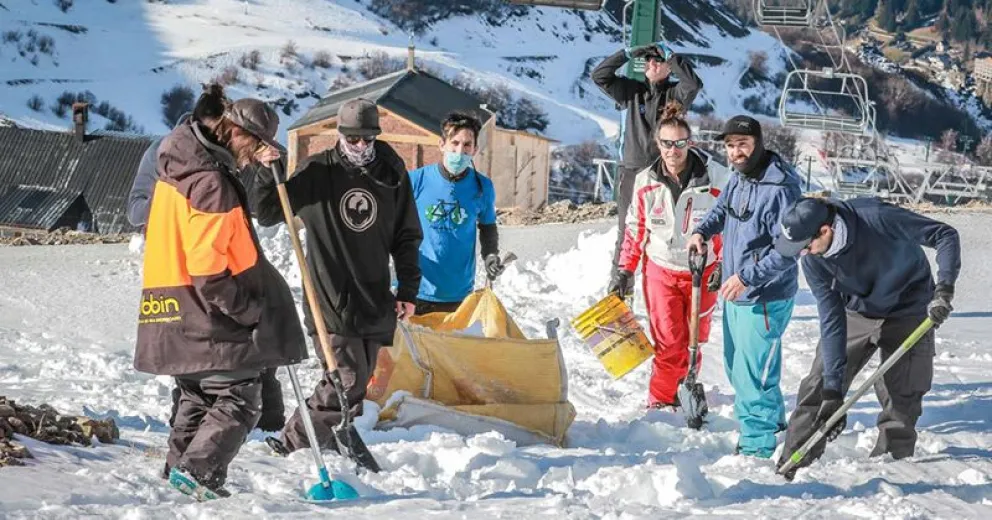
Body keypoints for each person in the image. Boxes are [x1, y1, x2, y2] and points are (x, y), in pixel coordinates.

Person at [133, 87, 307, 498]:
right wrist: (247, 310)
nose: (255, 153)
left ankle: (177, 472)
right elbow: (209, 270)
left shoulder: (178, 168)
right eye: (256, 144)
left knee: (196, 394)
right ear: (237, 133)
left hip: (171, 306)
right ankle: (199, 474)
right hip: (206, 311)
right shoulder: (212, 183)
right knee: (240, 395)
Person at [251, 98, 422, 456]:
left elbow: (406, 236)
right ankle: (293, 443)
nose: (360, 146)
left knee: (357, 386)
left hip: (374, 296)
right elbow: (267, 212)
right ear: (340, 135)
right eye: (352, 138)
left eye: (367, 139)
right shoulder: (317, 172)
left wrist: (408, 289)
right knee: (345, 379)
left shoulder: (391, 174)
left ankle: (328, 440)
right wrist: (269, 172)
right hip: (329, 296)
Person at [773, 196, 961, 479]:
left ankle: (892, 470)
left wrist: (944, 290)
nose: (803, 254)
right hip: (857, 312)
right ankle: (793, 466)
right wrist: (834, 393)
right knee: (820, 383)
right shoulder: (814, 262)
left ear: (825, 231)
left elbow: (944, 235)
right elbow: (832, 321)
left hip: (909, 306)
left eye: (806, 245)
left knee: (903, 392)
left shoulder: (876, 217)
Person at [687, 115, 802, 458]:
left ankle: (757, 445)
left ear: (758, 144)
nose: (735, 152)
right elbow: (722, 209)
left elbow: (789, 249)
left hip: (765, 295)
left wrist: (747, 277)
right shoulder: (740, 176)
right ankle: (774, 422)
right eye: (730, 146)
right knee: (738, 366)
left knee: (753, 374)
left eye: (743, 145)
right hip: (737, 290)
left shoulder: (781, 189)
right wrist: (702, 231)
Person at [608, 102, 729, 409]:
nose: (673, 151)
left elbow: (731, 225)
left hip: (703, 271)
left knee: (693, 341)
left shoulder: (716, 178)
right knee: (669, 342)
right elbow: (635, 228)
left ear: (690, 142)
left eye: (679, 143)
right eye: (666, 143)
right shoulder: (646, 181)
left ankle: (685, 390)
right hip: (661, 270)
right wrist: (625, 270)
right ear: (657, 143)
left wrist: (724, 264)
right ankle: (661, 401)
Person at [592, 40, 703, 296]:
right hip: (632, 171)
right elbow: (599, 75)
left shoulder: (674, 95)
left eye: (659, 61)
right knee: (627, 230)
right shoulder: (630, 91)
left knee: (667, 230)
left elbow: (693, 84)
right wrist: (628, 53)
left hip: (664, 172)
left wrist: (671, 56)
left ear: (668, 67)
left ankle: (670, 285)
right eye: (649, 60)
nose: (653, 64)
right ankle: (620, 287)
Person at [408, 111, 502, 315]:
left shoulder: (483, 187)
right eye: (455, 143)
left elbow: (488, 227)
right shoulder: (415, 181)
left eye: (467, 145)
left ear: (475, 149)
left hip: (458, 295)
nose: (460, 151)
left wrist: (490, 255)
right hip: (413, 291)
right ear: (442, 144)